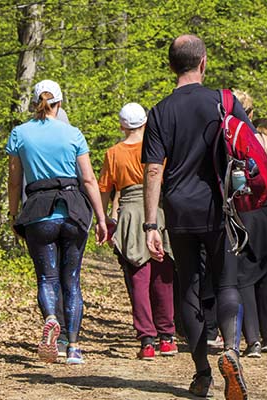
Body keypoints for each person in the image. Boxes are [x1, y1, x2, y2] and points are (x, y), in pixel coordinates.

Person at [142, 34, 249, 399]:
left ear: (171, 66)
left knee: (187, 284)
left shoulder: (158, 112)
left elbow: (154, 170)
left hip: (178, 209)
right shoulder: (226, 101)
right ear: (203, 62)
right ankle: (231, 351)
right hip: (221, 206)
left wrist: (150, 224)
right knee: (227, 283)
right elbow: (251, 153)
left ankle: (202, 373)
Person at [7, 79, 108, 365]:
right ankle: (74, 348)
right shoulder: (73, 133)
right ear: (60, 103)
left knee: (46, 279)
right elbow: (88, 179)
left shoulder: (19, 134)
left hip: (39, 211)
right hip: (73, 210)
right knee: (72, 281)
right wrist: (101, 218)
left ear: (35, 102)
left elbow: (14, 182)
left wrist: (14, 215)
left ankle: (52, 319)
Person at [98, 102, 178, 361]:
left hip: (131, 215)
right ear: (146, 122)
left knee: (138, 280)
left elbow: (105, 190)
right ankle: (167, 337)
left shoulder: (113, 153)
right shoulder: (158, 148)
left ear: (122, 125)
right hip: (158, 210)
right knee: (163, 278)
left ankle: (147, 340)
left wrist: (104, 220)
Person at [229, 98, 267, 358]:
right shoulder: (261, 140)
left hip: (238, 213)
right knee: (264, 271)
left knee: (243, 276)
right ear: (250, 112)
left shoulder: (224, 137)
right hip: (263, 211)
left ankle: (251, 340)